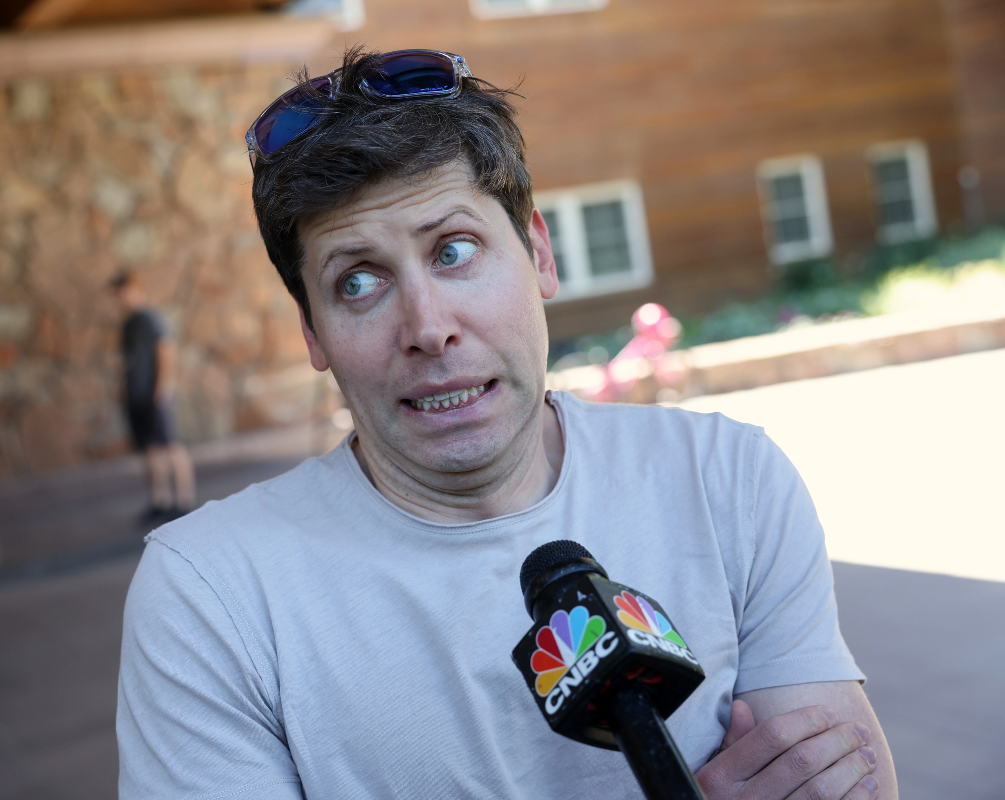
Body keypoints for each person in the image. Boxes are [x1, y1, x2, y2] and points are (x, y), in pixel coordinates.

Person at [117, 48, 897, 799]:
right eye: (358, 281)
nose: (428, 327)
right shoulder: (210, 595)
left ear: (538, 254)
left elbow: (849, 781)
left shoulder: (728, 480)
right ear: (313, 333)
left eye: (454, 250)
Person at [111, 270, 195, 522]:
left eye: (124, 292)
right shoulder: (128, 323)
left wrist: (162, 388)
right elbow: (127, 362)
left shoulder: (151, 318)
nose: (121, 299)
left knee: (170, 445)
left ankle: (185, 500)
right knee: (150, 449)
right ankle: (161, 501)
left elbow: (165, 351)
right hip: (135, 396)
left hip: (154, 395)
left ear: (137, 289)